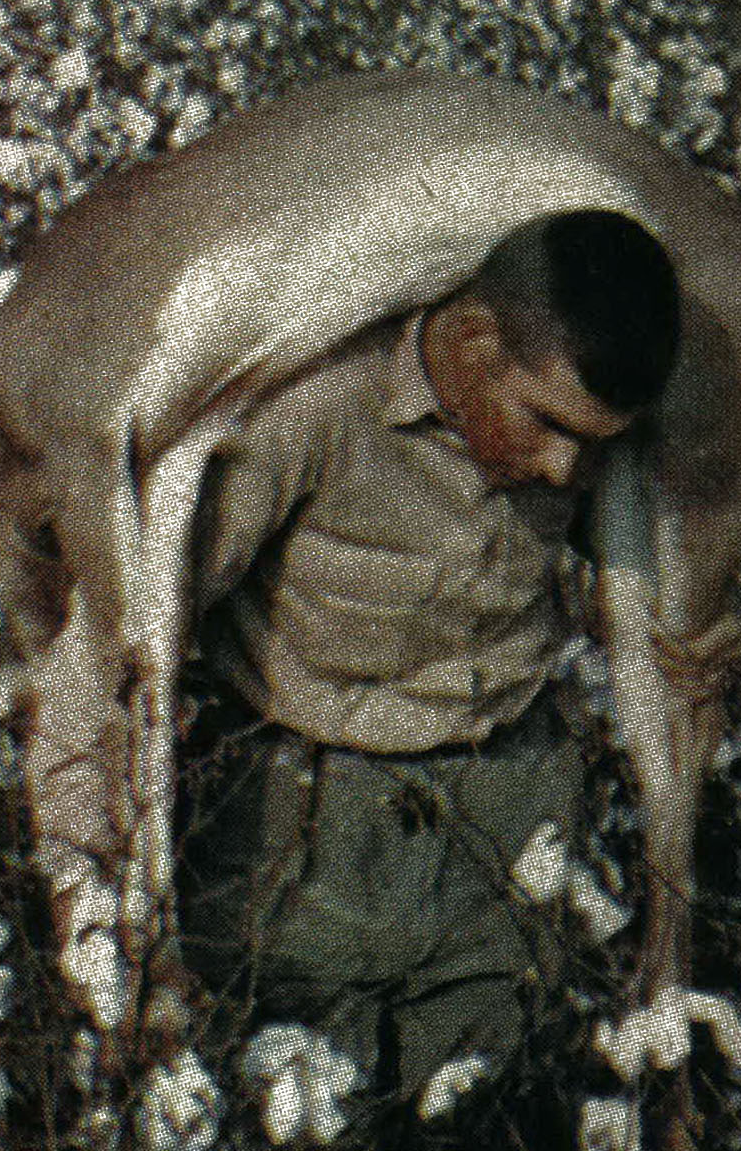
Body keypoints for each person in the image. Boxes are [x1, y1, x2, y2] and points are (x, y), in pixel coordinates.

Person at [176, 209, 682, 1100]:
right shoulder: (318, 413)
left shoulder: (574, 439)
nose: (565, 470)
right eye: (546, 423)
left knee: (479, 1120)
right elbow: (151, 627)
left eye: (593, 446)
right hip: (304, 827)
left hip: (506, 811)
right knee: (296, 1124)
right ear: (476, 340)